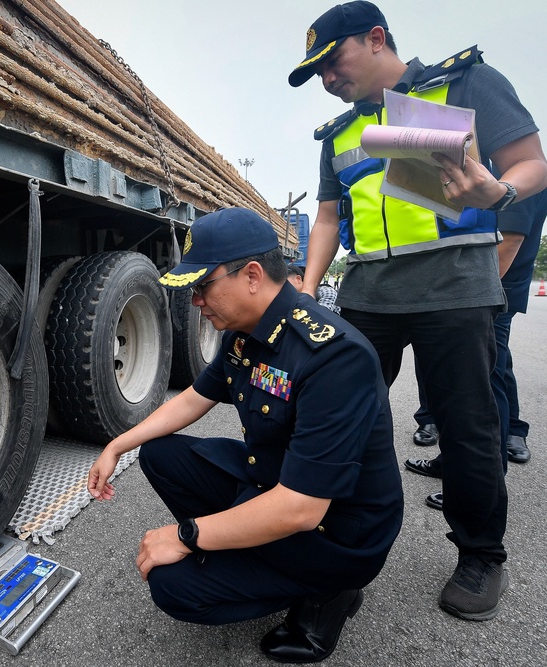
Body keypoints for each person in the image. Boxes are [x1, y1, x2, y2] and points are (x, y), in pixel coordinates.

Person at [290, 1, 547, 621]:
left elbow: (533, 162)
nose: (327, 79)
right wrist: (308, 282)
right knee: (343, 422)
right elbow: (327, 218)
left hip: (453, 291)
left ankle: (481, 556)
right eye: (316, 72)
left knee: (468, 431)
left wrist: (501, 190)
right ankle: (339, 548)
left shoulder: (460, 84)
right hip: (368, 296)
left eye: (333, 61)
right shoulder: (342, 133)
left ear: (376, 39)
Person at [87, 208, 403, 663]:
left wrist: (189, 535)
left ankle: (328, 593)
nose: (196, 301)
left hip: (333, 531)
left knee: (171, 587)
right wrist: (118, 445)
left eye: (202, 287)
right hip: (275, 484)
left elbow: (301, 507)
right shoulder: (245, 332)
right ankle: (252, 551)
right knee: (158, 454)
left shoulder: (334, 356)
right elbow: (194, 398)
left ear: (252, 276)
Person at [406, 188, 547, 505]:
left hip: (485, 289)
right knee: (463, 380)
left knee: (483, 386)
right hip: (476, 288)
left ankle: (479, 488)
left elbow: (509, 237)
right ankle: (456, 465)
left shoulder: (512, 169)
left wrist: (473, 297)